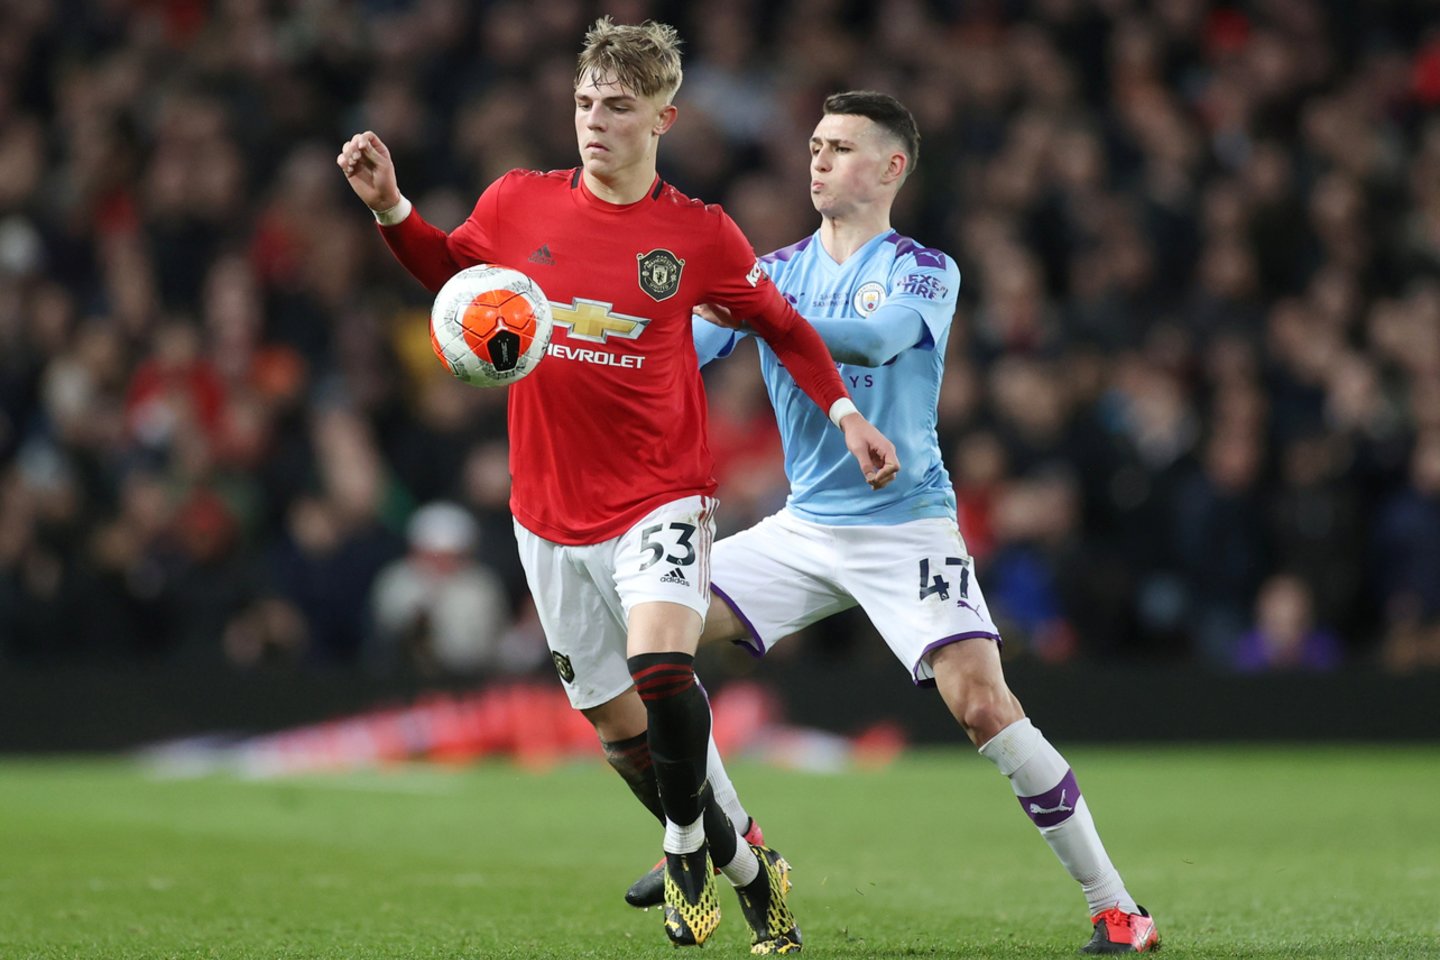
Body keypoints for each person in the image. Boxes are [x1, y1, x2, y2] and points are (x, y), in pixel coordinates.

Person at [336, 19, 898, 953]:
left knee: (662, 669)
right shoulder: (518, 202)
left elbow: (784, 326)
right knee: (615, 726)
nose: (595, 121)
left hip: (660, 493)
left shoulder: (698, 233)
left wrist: (845, 413)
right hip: (547, 508)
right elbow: (451, 276)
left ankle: (682, 846)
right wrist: (392, 208)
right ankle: (749, 867)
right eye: (586, 103)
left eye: (619, 107)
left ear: (663, 119)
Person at [624, 91, 1160, 954]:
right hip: (804, 527)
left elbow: (876, 341)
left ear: (891, 167)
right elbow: (679, 349)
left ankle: (1118, 908)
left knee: (982, 705)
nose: (818, 159)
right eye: (814, 144)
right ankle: (729, 839)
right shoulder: (771, 271)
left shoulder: (925, 269)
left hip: (906, 525)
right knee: (651, 648)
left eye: (840, 147)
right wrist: (594, 335)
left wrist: (759, 313)